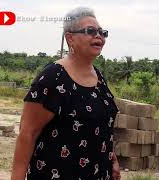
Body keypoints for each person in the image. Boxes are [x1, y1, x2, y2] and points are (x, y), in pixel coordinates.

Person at [11, 7, 121, 180]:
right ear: (70, 38)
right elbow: (28, 133)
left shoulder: (99, 77)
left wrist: (112, 159)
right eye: (90, 31)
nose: (99, 36)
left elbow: (101, 128)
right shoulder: (53, 77)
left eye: (102, 32)